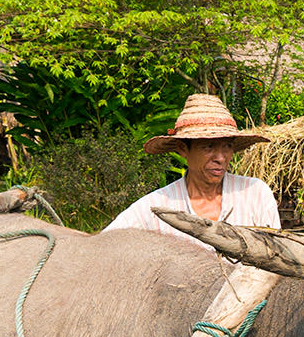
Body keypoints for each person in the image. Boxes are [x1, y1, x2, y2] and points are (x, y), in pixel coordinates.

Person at [106, 93, 280, 242]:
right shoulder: (156, 207)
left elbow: (276, 256)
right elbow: (105, 245)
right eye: (208, 147)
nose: (220, 158)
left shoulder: (255, 194)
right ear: (183, 149)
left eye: (227, 146)